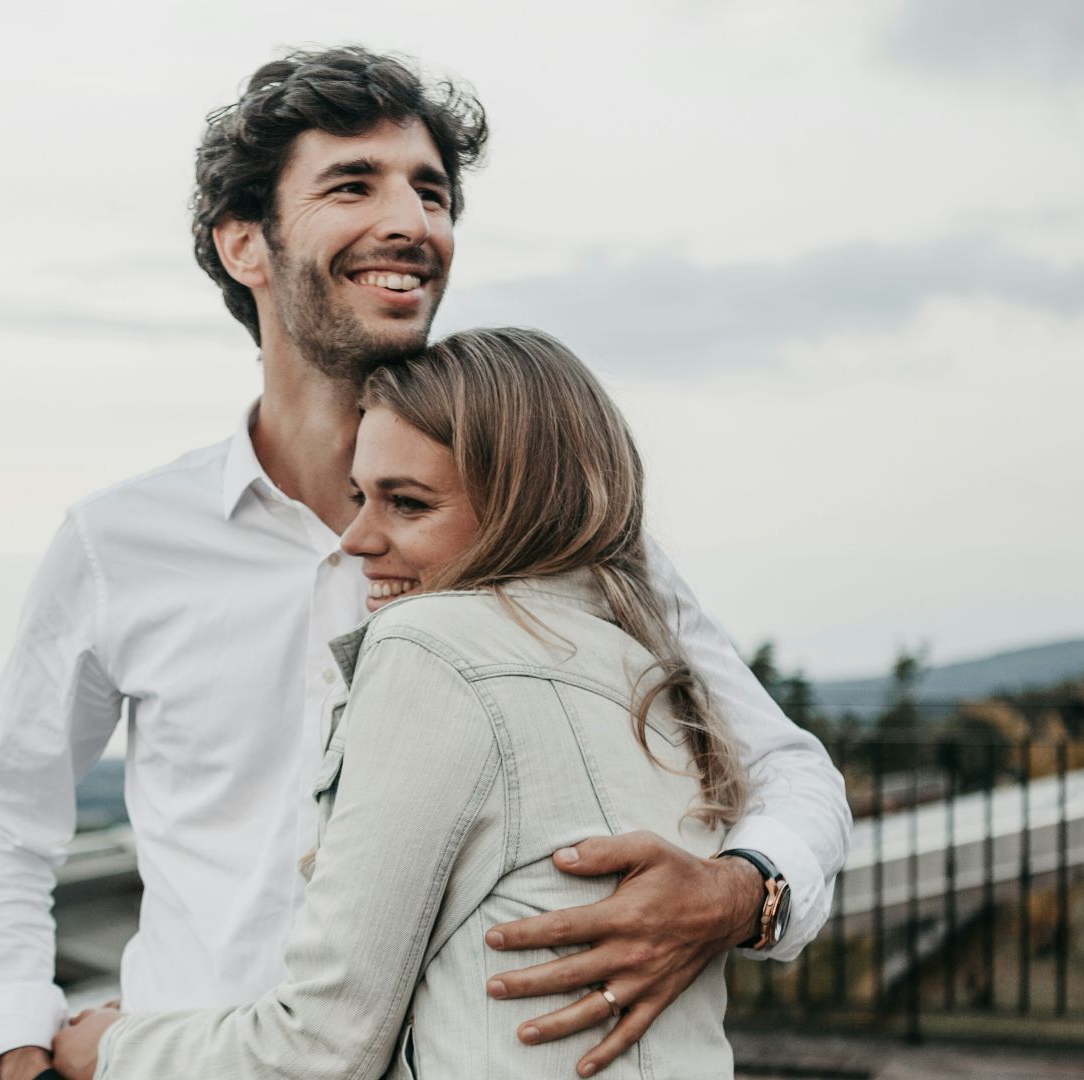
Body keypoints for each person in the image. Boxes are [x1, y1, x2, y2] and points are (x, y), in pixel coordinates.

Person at [0, 46, 851, 1080]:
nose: (413, 221)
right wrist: (14, 1047)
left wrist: (740, 892)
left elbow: (785, 768)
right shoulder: (119, 541)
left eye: (432, 191)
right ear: (246, 243)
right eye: (352, 184)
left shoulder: (558, 528)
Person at [51, 326, 754, 1079]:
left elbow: (322, 1047)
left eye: (407, 504)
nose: (356, 539)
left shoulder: (430, 647)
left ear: (522, 507)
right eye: (361, 496)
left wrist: (108, 1052)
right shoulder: (652, 668)